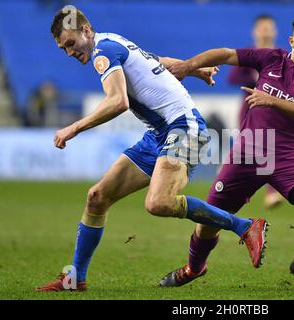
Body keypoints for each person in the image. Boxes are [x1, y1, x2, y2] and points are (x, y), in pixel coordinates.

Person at [36, 6, 267, 292]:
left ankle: (244, 226)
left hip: (184, 128)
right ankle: (75, 279)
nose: (69, 52)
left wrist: (73, 128)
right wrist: (194, 69)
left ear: (85, 31)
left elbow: (118, 101)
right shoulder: (113, 41)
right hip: (159, 134)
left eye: (70, 44)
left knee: (158, 202)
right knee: (96, 197)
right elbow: (155, 62)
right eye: (63, 49)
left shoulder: (103, 51)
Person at [160, 11, 294, 287]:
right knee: (208, 219)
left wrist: (271, 100)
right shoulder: (270, 58)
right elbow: (224, 53)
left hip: (286, 156)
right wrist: (187, 67)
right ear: (292, 41)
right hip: (249, 152)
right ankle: (194, 268)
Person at [227, 14, 285, 210]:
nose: (266, 30)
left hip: (275, 109)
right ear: (255, 31)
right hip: (250, 109)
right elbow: (232, 78)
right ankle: (251, 190)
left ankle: (265, 191)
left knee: (270, 149)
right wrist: (253, 78)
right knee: (250, 151)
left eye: (269, 27)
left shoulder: (283, 56)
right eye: (262, 27)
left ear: (275, 30)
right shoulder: (248, 55)